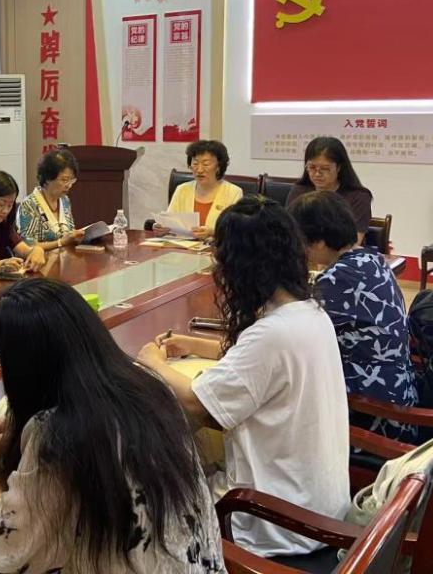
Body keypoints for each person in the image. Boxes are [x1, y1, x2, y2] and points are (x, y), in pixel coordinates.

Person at [0, 279, 225, 574]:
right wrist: (21, 432)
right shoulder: (150, 386)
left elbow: (2, 547)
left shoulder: (57, 435)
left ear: (24, 371)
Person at [137, 197, 349, 558]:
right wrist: (194, 344)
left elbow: (198, 404)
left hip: (275, 521)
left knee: (150, 498)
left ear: (241, 266)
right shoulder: (310, 313)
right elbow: (263, 366)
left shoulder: (271, 334)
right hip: (319, 505)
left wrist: (152, 361)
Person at [289, 190, 418, 440]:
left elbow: (295, 338)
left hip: (371, 413)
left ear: (318, 242)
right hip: (396, 395)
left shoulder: (337, 279)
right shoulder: (372, 260)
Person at [286, 136, 373, 242]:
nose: (317, 174)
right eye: (312, 167)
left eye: (325, 169)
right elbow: (288, 230)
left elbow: (353, 241)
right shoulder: (299, 191)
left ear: (339, 167)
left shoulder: (358, 197)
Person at [156, 140, 242, 240]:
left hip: (216, 248)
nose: (199, 170)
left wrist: (212, 232)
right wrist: (162, 228)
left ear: (219, 166)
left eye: (206, 164)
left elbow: (238, 231)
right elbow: (170, 222)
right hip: (182, 247)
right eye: (195, 163)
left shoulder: (233, 192)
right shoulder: (182, 190)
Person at [17, 148, 86, 251]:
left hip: (65, 257)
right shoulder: (29, 205)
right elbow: (27, 246)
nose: (69, 185)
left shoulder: (65, 200)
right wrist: (60, 243)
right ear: (48, 178)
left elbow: (70, 232)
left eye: (71, 180)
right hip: (41, 259)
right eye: (64, 180)